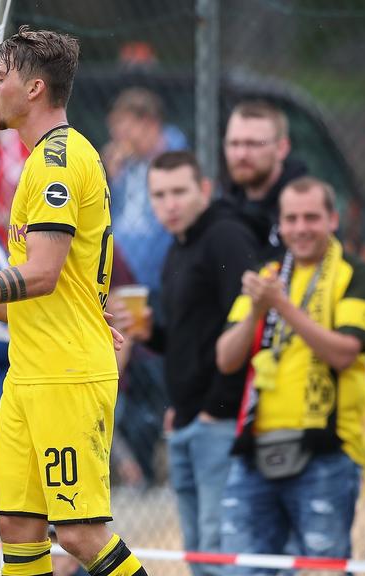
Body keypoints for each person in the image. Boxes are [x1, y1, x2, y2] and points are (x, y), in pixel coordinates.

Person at [0, 27, 148, 576]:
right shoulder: (47, 157)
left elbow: (40, 274)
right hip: (30, 372)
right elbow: (36, 295)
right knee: (17, 524)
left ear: (34, 88)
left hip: (66, 374)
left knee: (81, 535)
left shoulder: (57, 160)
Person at [214, 176, 365, 564]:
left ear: (333, 220)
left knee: (322, 569)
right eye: (291, 219)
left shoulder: (356, 273)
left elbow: (345, 354)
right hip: (255, 448)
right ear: (280, 223)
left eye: (311, 217)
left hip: (326, 450)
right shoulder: (269, 275)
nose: (301, 228)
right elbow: (226, 358)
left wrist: (283, 307)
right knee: (245, 569)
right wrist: (257, 311)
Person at [114, 151, 257, 574]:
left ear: (205, 190)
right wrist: (151, 332)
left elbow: (250, 328)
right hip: (187, 418)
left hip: (220, 422)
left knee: (218, 548)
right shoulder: (178, 248)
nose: (169, 204)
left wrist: (216, 409)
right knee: (198, 552)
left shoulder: (225, 237)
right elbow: (187, 339)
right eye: (159, 195)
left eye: (179, 191)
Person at [103, 87, 188, 291]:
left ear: (150, 124)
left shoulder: (176, 160)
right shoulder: (123, 164)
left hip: (158, 273)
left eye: (125, 130)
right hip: (119, 271)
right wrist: (107, 176)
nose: (118, 138)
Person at [222, 100, 308, 255]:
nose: (241, 154)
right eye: (234, 144)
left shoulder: (306, 207)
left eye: (253, 144)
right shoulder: (224, 209)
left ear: (281, 148)